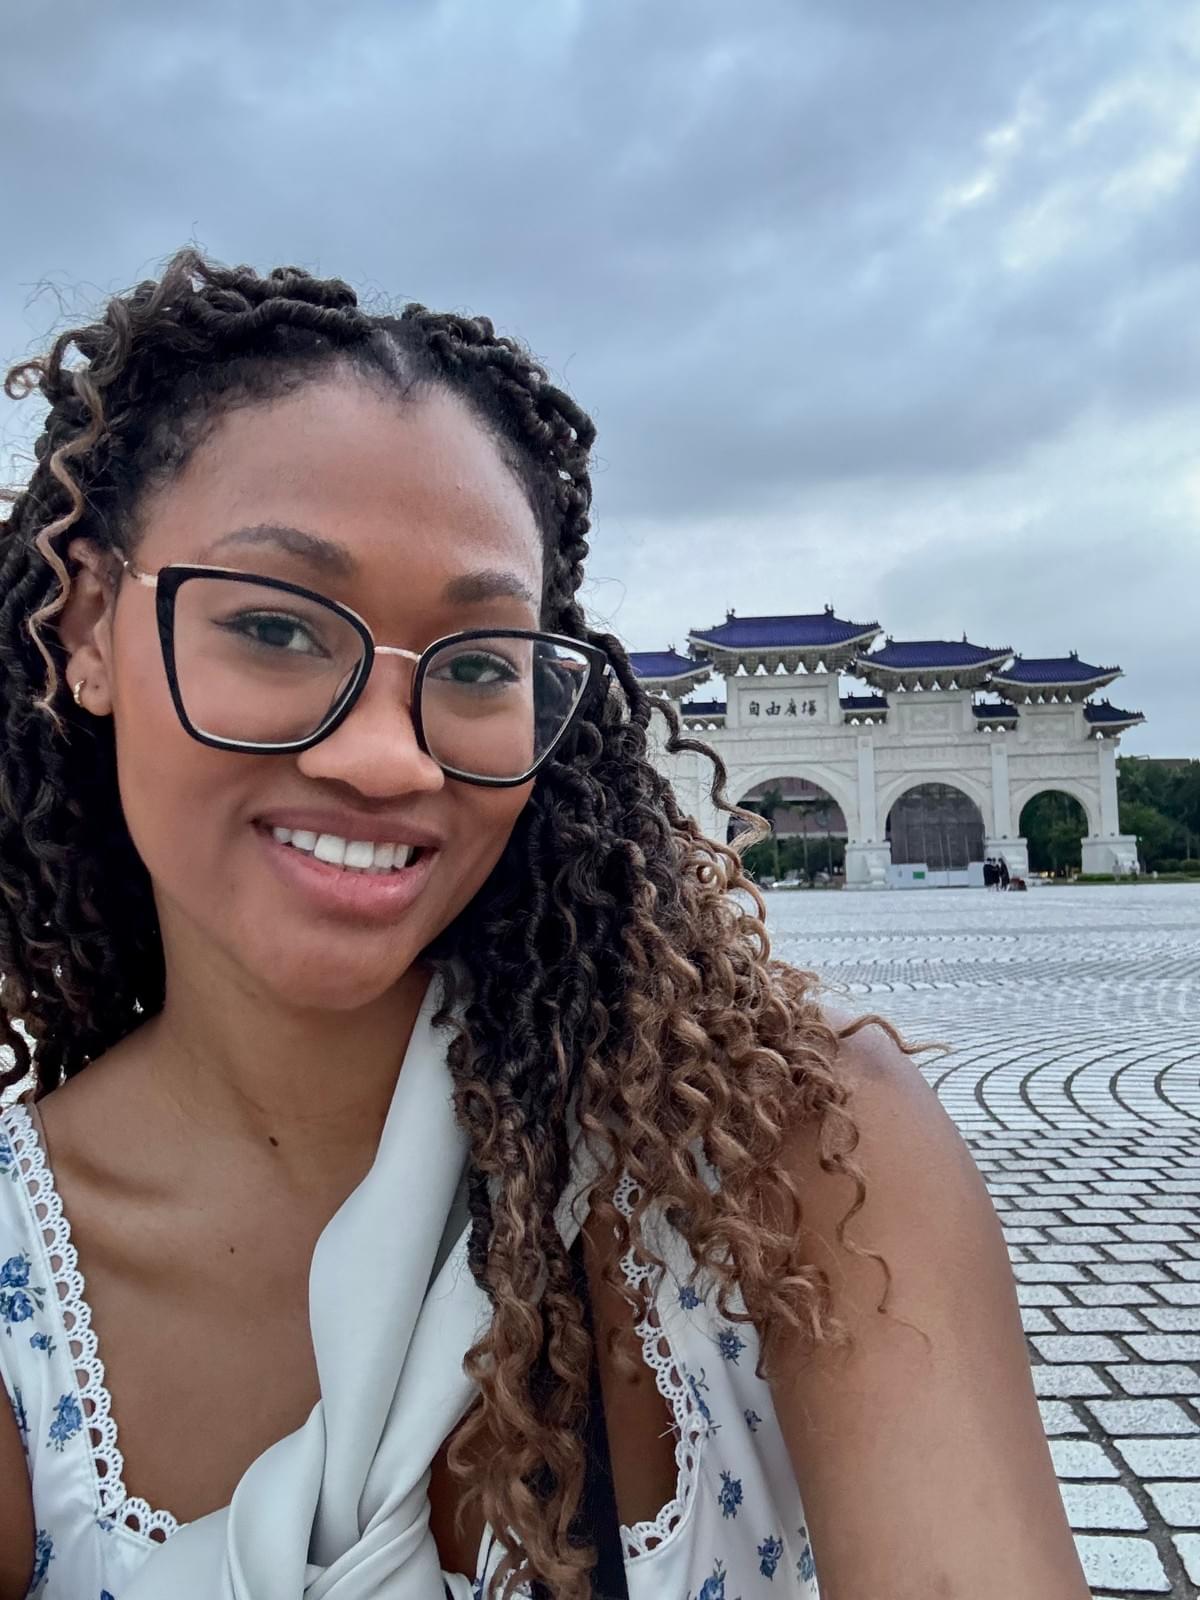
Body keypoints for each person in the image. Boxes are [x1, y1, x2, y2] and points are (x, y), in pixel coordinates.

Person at [0, 252, 1090, 1600]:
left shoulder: (793, 1162)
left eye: (473, 664)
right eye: (277, 630)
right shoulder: (21, 1285)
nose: (389, 759)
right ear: (90, 623)